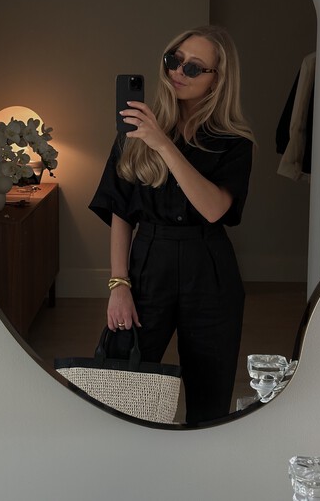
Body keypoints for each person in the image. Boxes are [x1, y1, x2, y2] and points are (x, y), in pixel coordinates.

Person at [89, 25, 254, 425]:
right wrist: (118, 284)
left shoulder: (234, 142)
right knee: (123, 388)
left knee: (210, 398)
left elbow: (214, 209)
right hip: (149, 260)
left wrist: (162, 143)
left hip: (209, 267)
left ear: (217, 80)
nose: (179, 71)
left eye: (194, 67)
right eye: (174, 60)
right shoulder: (134, 131)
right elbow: (120, 212)